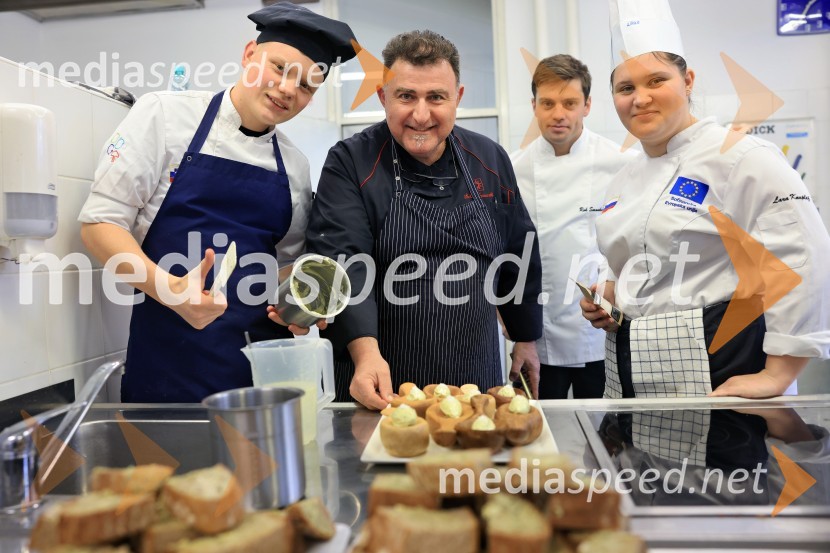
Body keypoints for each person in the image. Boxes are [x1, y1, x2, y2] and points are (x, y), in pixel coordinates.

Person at [78, 2, 357, 402]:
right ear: (249, 55)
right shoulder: (166, 116)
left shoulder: (294, 166)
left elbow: (280, 268)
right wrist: (171, 289)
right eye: (280, 68)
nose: (287, 90)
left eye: (307, 86)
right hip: (168, 372)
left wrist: (300, 306)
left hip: (262, 382)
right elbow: (99, 226)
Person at [580, 0, 830, 399]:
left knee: (710, 463)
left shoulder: (740, 156)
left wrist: (779, 373)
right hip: (626, 370)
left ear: (688, 80)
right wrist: (608, 297)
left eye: (656, 81)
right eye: (626, 88)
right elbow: (628, 263)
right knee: (634, 462)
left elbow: (803, 254)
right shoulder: (623, 178)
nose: (640, 98)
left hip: (716, 366)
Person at [306, 30, 543, 410]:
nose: (421, 115)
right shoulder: (351, 161)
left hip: (475, 379)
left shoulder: (489, 158)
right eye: (405, 96)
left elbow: (519, 252)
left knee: (469, 466)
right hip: (381, 377)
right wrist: (364, 354)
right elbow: (344, 263)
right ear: (383, 97)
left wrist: (526, 338)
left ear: (458, 98)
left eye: (436, 97)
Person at [510, 54, 637, 399]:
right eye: (548, 103)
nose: (558, 114)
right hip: (538, 332)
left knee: (607, 436)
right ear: (534, 105)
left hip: (602, 327)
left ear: (587, 105)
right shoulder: (512, 169)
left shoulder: (622, 163)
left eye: (570, 103)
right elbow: (507, 249)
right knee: (537, 433)